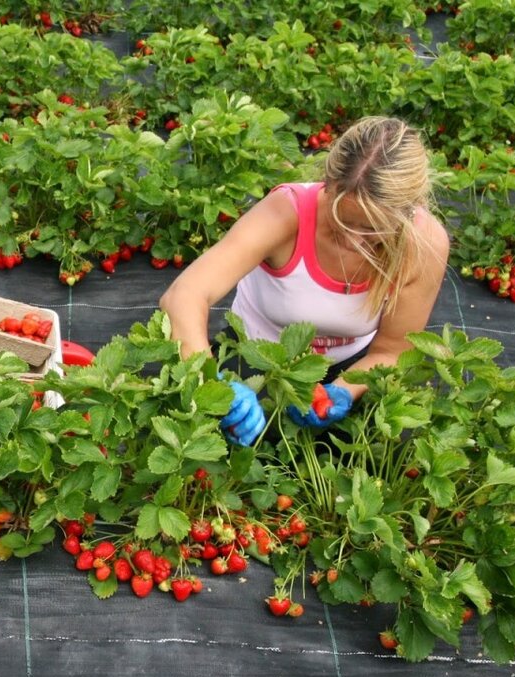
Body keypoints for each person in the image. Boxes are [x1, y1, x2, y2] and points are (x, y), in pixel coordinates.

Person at [158, 116, 451, 446]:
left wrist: (343, 391)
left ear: (410, 212)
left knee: (381, 452)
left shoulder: (424, 244)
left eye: (372, 231)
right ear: (328, 184)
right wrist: (210, 383)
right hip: (257, 353)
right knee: (215, 443)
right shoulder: (288, 213)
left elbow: (392, 349)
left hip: (351, 363)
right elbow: (184, 294)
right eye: (343, 222)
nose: (355, 240)